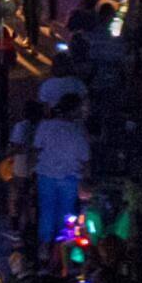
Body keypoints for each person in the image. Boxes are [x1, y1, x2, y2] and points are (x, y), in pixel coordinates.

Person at [25, 99, 90, 249]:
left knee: (47, 212)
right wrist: (86, 179)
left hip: (46, 174)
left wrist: (30, 171)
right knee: (67, 214)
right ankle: (63, 252)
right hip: (70, 176)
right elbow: (85, 159)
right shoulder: (78, 130)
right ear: (74, 111)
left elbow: (36, 150)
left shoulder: (45, 126)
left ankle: (45, 249)